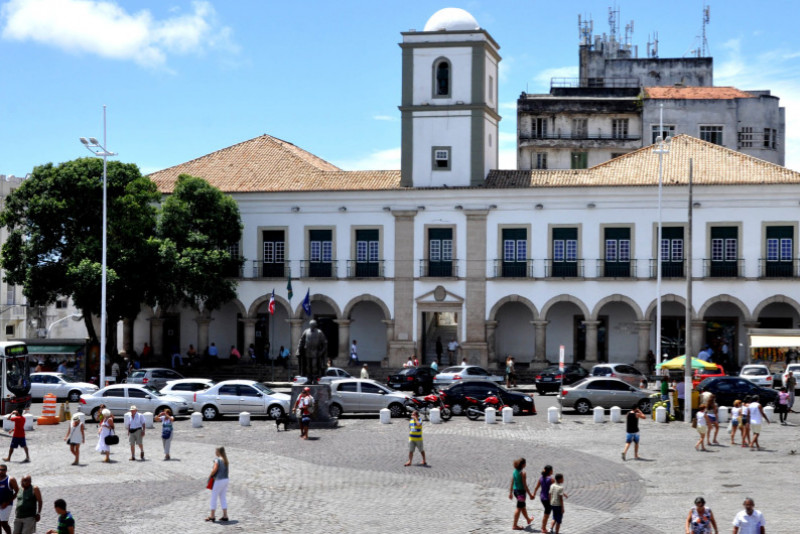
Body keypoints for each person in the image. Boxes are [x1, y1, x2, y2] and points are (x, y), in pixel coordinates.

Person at [508, 458, 534, 531]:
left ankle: (528, 519)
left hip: (515, 491)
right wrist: (530, 495)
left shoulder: (515, 471)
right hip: (521, 492)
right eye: (525, 463)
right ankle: (515, 525)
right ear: (523, 464)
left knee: (522, 506)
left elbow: (512, 482)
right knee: (519, 508)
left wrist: (510, 493)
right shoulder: (523, 473)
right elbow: (525, 485)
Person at [206, 447, 229, 522]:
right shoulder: (225, 460)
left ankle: (212, 515)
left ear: (218, 452)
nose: (215, 452)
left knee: (214, 497)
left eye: (216, 451)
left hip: (218, 480)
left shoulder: (217, 459)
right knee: (223, 497)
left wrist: (210, 475)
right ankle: (225, 515)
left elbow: (215, 469)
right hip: (225, 479)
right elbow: (227, 472)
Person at [532, 464, 554, 534]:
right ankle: (543, 528)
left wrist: (534, 494)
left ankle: (543, 527)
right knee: (547, 513)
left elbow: (536, 487)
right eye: (552, 470)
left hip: (542, 497)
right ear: (550, 471)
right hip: (548, 499)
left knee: (547, 512)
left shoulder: (541, 478)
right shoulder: (551, 479)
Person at [0, 465, 18, 534]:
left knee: (4, 523)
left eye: (3, 470)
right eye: (0, 470)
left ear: (6, 471)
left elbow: (17, 491)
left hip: (6, 505)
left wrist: (7, 502)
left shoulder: (11, 480)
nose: (1, 471)